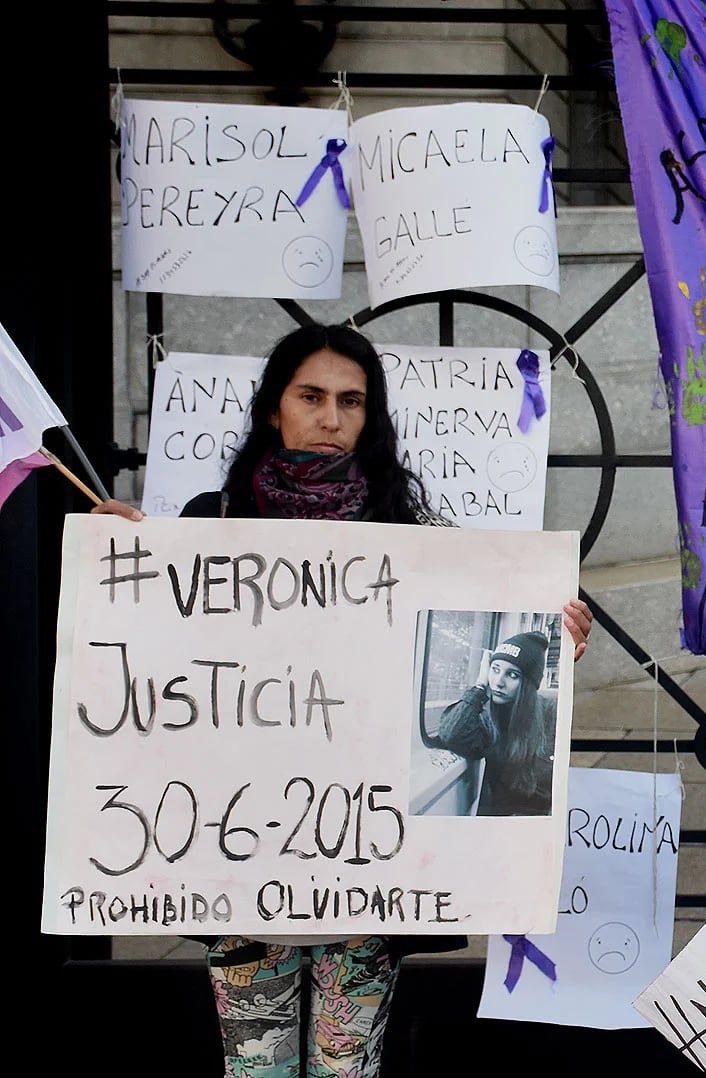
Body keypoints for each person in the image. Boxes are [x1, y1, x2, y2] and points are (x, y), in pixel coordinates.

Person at [94, 323, 591, 1078]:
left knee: (345, 1069)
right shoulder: (206, 525)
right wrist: (113, 569)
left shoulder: (410, 535)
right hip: (242, 861)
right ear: (275, 409)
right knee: (255, 1069)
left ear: (371, 416)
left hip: (362, 867)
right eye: (312, 396)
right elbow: (148, 677)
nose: (331, 417)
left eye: (352, 401)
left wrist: (560, 640)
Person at [426, 627, 559, 816]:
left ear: (529, 684)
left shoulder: (551, 715)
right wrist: (480, 685)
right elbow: (452, 734)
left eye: (512, 675)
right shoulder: (488, 714)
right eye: (495, 670)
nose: (498, 682)